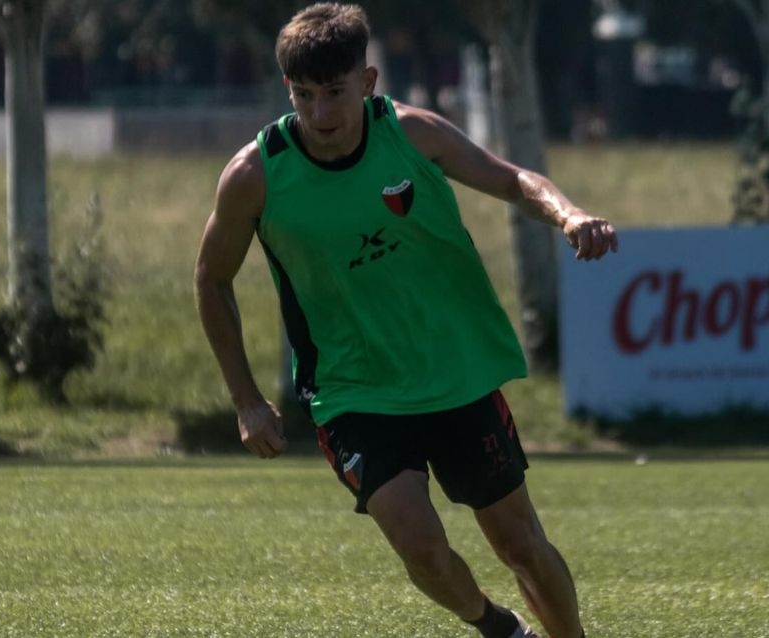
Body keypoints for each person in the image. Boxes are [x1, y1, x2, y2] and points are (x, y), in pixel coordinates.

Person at [194, 4, 617, 637]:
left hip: (455, 372)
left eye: (334, 92)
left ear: (367, 82)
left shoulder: (413, 135)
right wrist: (246, 399)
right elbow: (211, 278)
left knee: (520, 543)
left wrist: (568, 214)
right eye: (304, 95)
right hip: (352, 390)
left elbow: (512, 180)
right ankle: (497, 627)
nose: (320, 112)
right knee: (420, 547)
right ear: (288, 90)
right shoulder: (255, 175)